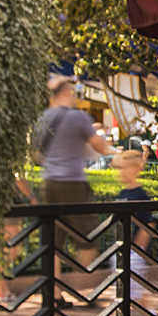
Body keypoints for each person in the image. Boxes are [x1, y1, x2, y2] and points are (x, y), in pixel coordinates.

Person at [32, 75, 112, 294]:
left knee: (53, 242)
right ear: (66, 92)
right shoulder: (78, 117)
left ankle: (53, 294)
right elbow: (101, 147)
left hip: (49, 183)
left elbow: (36, 154)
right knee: (88, 237)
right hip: (73, 183)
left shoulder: (42, 118)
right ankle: (83, 290)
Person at [110, 150, 158, 316]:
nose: (121, 172)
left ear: (135, 169)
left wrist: (138, 249)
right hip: (122, 246)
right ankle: (150, 315)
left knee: (127, 286)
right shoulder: (122, 193)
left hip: (134, 250)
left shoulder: (141, 195)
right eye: (119, 168)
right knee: (132, 286)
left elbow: (148, 224)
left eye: (124, 168)